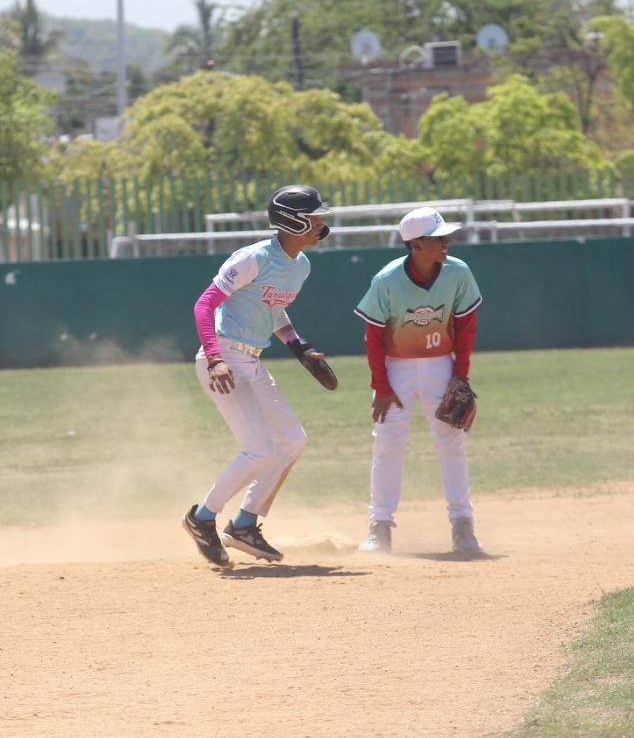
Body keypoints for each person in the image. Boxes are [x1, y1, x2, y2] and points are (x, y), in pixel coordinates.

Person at [181, 185, 335, 567]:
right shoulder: (253, 257)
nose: (321, 222)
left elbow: (272, 309)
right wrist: (215, 358)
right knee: (260, 449)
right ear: (294, 221)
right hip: (223, 356)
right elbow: (204, 305)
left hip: (251, 360)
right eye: (314, 216)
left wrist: (298, 347)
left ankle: (245, 523)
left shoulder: (300, 266)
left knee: (293, 441)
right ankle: (201, 517)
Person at [353, 206, 484, 555]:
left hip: (441, 363)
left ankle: (463, 525)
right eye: (438, 237)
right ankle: (379, 527)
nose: (446, 242)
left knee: (451, 440)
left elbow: (466, 326)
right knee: (388, 441)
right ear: (417, 243)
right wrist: (380, 386)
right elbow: (373, 336)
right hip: (396, 367)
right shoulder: (387, 280)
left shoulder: (458, 273)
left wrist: (461, 374)